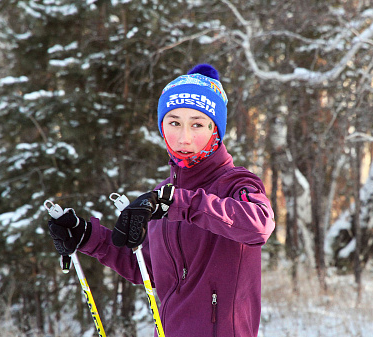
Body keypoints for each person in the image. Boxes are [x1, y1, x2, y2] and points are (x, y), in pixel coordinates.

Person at [47, 64, 276, 337]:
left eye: (198, 124)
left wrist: (180, 204)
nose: (184, 137)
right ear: (162, 126)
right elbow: (148, 269)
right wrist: (88, 237)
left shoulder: (236, 184)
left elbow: (259, 225)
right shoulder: (162, 196)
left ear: (216, 129)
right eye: (174, 123)